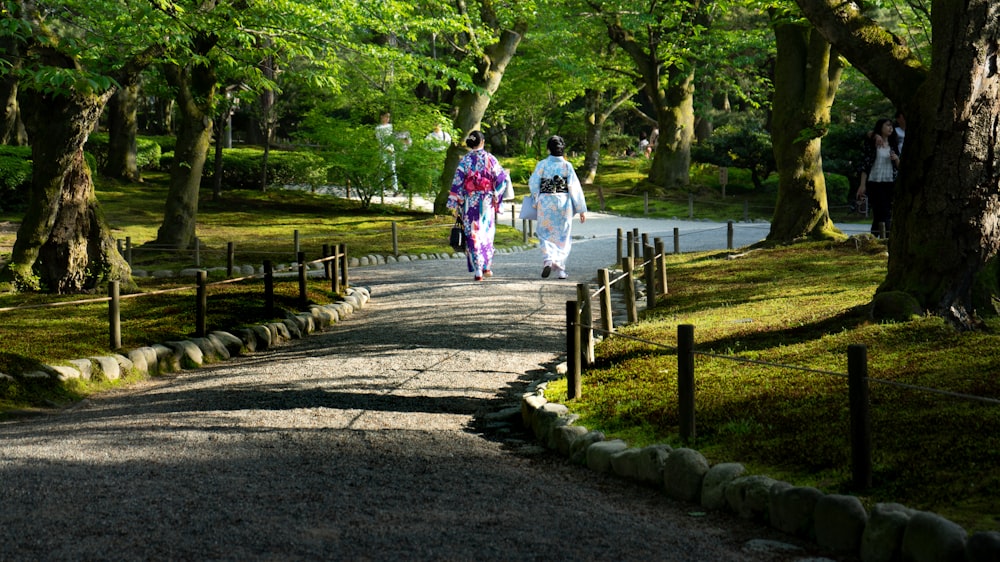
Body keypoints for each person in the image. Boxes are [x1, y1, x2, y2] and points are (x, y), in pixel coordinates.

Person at [446, 130, 512, 281]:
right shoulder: (490, 159)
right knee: (487, 234)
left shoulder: (465, 160)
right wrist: (496, 193)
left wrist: (455, 202)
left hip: (470, 202)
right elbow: (501, 179)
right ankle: (486, 266)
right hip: (486, 202)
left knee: (473, 234)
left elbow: (457, 182)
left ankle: (478, 271)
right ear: (482, 142)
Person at [528, 135, 587, 279]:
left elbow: (534, 183)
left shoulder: (542, 164)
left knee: (544, 233)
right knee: (563, 236)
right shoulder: (567, 166)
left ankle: (548, 259)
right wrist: (581, 209)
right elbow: (575, 188)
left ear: (548, 149)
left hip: (546, 203)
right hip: (563, 203)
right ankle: (560, 269)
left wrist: (536, 198)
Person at [856, 118, 900, 237]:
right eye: (887, 126)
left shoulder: (893, 145)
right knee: (881, 212)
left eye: (891, 126)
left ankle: (875, 238)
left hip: (889, 182)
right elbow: (865, 165)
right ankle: (885, 238)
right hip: (874, 182)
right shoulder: (872, 143)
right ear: (880, 127)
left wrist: (896, 159)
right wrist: (862, 184)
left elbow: (899, 166)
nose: (890, 128)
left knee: (884, 213)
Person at [375, 111, 399, 193]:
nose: (387, 119)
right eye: (386, 117)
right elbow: (379, 140)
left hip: (391, 151)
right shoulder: (378, 128)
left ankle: (395, 189)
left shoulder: (391, 126)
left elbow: (393, 138)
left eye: (388, 117)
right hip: (383, 150)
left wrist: (391, 149)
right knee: (381, 170)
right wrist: (385, 148)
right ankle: (381, 189)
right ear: (381, 117)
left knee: (393, 169)